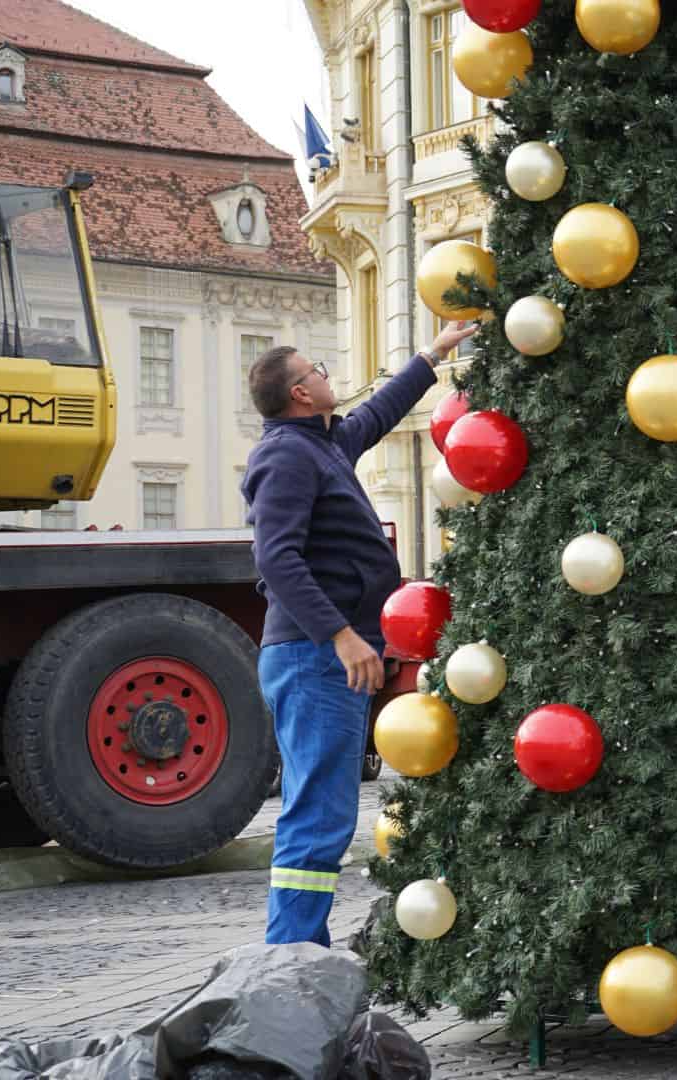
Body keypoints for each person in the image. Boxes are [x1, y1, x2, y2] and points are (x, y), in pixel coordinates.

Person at [243, 320, 476, 947]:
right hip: (314, 656)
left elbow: (376, 413)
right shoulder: (285, 454)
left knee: (324, 811)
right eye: (315, 368)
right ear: (299, 393)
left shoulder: (322, 443)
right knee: (317, 814)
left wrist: (434, 354)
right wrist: (342, 636)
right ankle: (289, 959)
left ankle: (298, 954)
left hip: (322, 655)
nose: (326, 373)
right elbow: (277, 557)